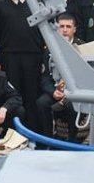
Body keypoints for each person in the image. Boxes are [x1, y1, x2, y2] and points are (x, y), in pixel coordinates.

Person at [0, 0, 45, 134]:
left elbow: (45, 34)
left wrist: (43, 58)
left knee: (32, 96)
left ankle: (33, 134)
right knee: (12, 97)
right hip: (9, 57)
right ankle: (12, 134)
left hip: (33, 57)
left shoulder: (36, 3)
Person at [36, 13, 84, 142]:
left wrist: (70, 93)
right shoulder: (49, 49)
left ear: (74, 29)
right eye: (61, 26)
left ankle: (72, 140)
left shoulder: (83, 47)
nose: (65, 30)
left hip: (76, 92)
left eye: (68, 26)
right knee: (41, 103)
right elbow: (45, 77)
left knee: (72, 105)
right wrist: (53, 92)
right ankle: (48, 140)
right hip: (56, 90)